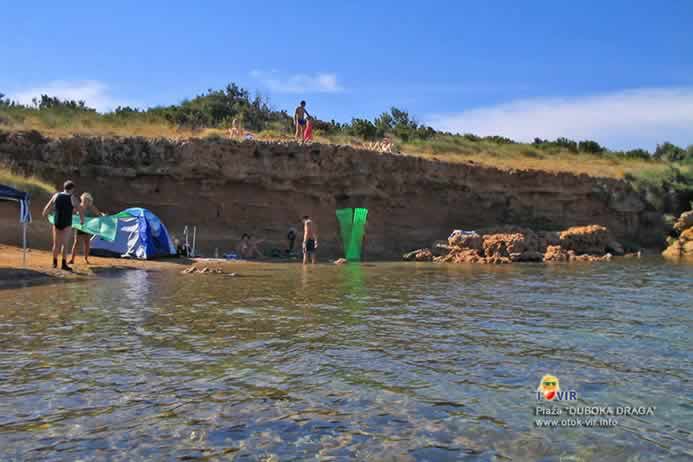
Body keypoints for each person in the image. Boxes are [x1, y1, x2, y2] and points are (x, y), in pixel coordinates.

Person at [42, 180, 84, 271]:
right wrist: (81, 220)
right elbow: (80, 209)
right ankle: (64, 264)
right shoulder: (72, 197)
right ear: (72, 189)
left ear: (64, 187)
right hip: (67, 223)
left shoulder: (56, 195)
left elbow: (47, 207)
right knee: (65, 244)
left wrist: (45, 213)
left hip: (57, 221)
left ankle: (54, 263)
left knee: (56, 244)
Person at [69, 193, 106, 265]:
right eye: (84, 199)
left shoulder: (91, 207)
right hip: (79, 227)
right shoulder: (78, 206)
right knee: (76, 243)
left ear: (89, 201)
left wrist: (104, 216)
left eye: (87, 200)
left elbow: (98, 214)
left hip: (88, 227)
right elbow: (72, 214)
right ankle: (72, 259)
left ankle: (86, 259)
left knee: (87, 243)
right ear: (82, 199)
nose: (86, 201)